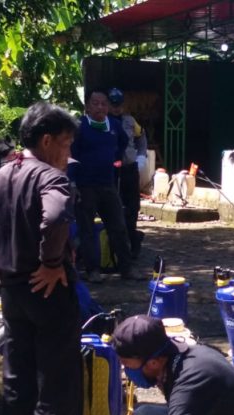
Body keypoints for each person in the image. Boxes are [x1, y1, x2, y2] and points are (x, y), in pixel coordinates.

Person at [0, 102, 89, 415]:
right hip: (48, 292)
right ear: (46, 141)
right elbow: (56, 216)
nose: (68, 153)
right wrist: (52, 262)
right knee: (56, 390)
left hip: (12, 294)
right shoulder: (49, 177)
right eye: (66, 143)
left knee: (17, 385)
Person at [69, 88, 143, 283]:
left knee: (118, 227)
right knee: (87, 230)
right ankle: (92, 270)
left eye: (103, 104)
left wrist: (114, 159)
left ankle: (127, 268)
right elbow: (71, 155)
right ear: (87, 106)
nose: (100, 107)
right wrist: (72, 182)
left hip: (108, 184)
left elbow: (123, 143)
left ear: (108, 107)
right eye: (95, 103)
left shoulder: (115, 125)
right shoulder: (80, 127)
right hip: (85, 186)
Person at [108, 87, 148, 258]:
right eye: (113, 104)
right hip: (111, 170)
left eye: (119, 104)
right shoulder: (103, 121)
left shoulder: (130, 121)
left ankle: (133, 241)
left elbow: (141, 137)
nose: (116, 108)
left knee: (132, 207)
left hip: (129, 168)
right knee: (113, 208)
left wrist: (142, 156)